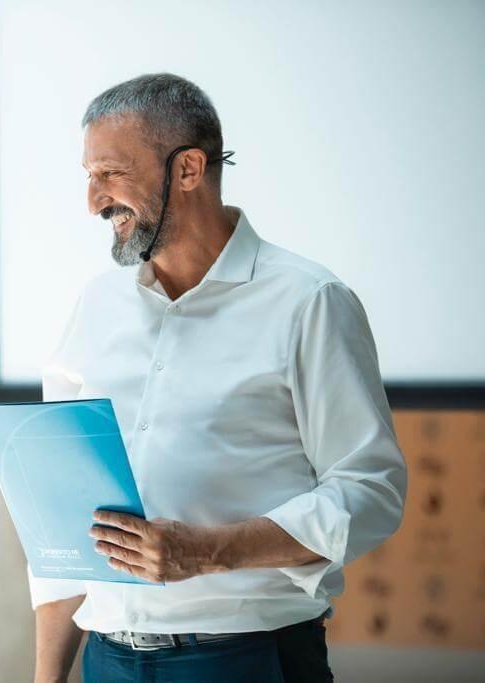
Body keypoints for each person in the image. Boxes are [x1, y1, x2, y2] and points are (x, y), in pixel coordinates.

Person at [31, 73, 407, 683]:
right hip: (106, 660)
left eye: (111, 174)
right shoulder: (93, 307)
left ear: (188, 169)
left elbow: (370, 491)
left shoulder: (309, 300)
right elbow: (57, 515)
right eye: (89, 178)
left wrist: (206, 552)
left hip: (246, 659)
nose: (94, 202)